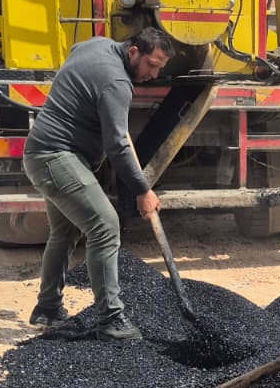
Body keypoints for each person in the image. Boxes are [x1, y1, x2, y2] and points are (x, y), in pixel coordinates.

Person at [22, 28, 173, 340]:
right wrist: (142, 190)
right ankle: (111, 319)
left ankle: (47, 309)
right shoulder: (116, 82)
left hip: (42, 153)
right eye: (151, 65)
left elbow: (75, 51)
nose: (154, 74)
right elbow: (117, 146)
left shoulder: (96, 45)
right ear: (133, 52)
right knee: (105, 226)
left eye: (160, 68)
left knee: (65, 232)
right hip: (56, 157)